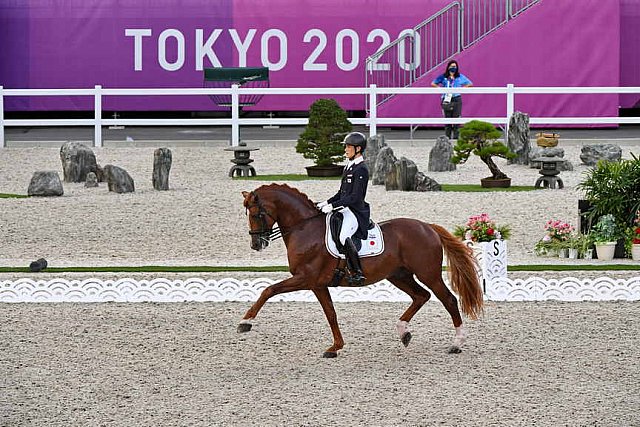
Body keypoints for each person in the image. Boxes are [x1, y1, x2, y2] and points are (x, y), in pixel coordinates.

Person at [316, 132, 370, 285]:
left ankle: (357, 272)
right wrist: (326, 202)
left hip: (355, 211)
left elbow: (355, 198)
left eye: (348, 147)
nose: (345, 149)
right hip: (345, 208)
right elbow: (342, 193)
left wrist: (333, 206)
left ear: (358, 149)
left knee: (343, 236)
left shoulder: (361, 169)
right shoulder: (349, 166)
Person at [431, 60, 473, 139]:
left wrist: (461, 88)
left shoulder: (460, 76)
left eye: (455, 66)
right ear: (448, 67)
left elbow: (470, 83)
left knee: (456, 118)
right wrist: (440, 89)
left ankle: (456, 138)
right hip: (446, 98)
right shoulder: (443, 76)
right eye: (452, 66)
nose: (453, 68)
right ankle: (447, 138)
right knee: (447, 119)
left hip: (456, 98)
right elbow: (433, 83)